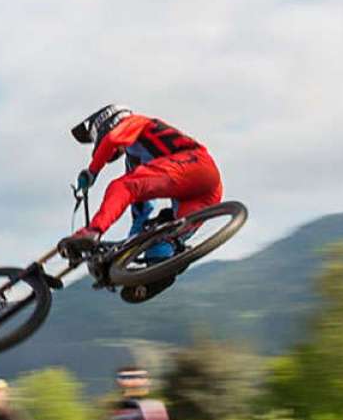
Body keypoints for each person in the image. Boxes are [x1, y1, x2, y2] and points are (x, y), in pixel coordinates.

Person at [59, 104, 223, 302]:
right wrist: (125, 254)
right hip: (205, 193)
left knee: (121, 186)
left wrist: (92, 171)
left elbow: (112, 140)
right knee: (158, 234)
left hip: (196, 164)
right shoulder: (134, 159)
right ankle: (159, 274)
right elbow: (140, 209)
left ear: (109, 123)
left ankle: (93, 231)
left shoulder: (137, 123)